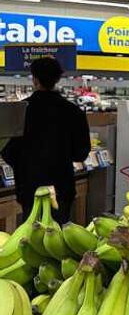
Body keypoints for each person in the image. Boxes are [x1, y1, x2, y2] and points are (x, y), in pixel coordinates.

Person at [1, 57, 90, 219]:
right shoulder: (74, 112)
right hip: (61, 187)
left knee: (30, 236)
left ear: (34, 79)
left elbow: (7, 151)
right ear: (57, 79)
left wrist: (24, 164)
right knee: (58, 237)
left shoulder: (19, 111)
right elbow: (81, 153)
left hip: (29, 188)